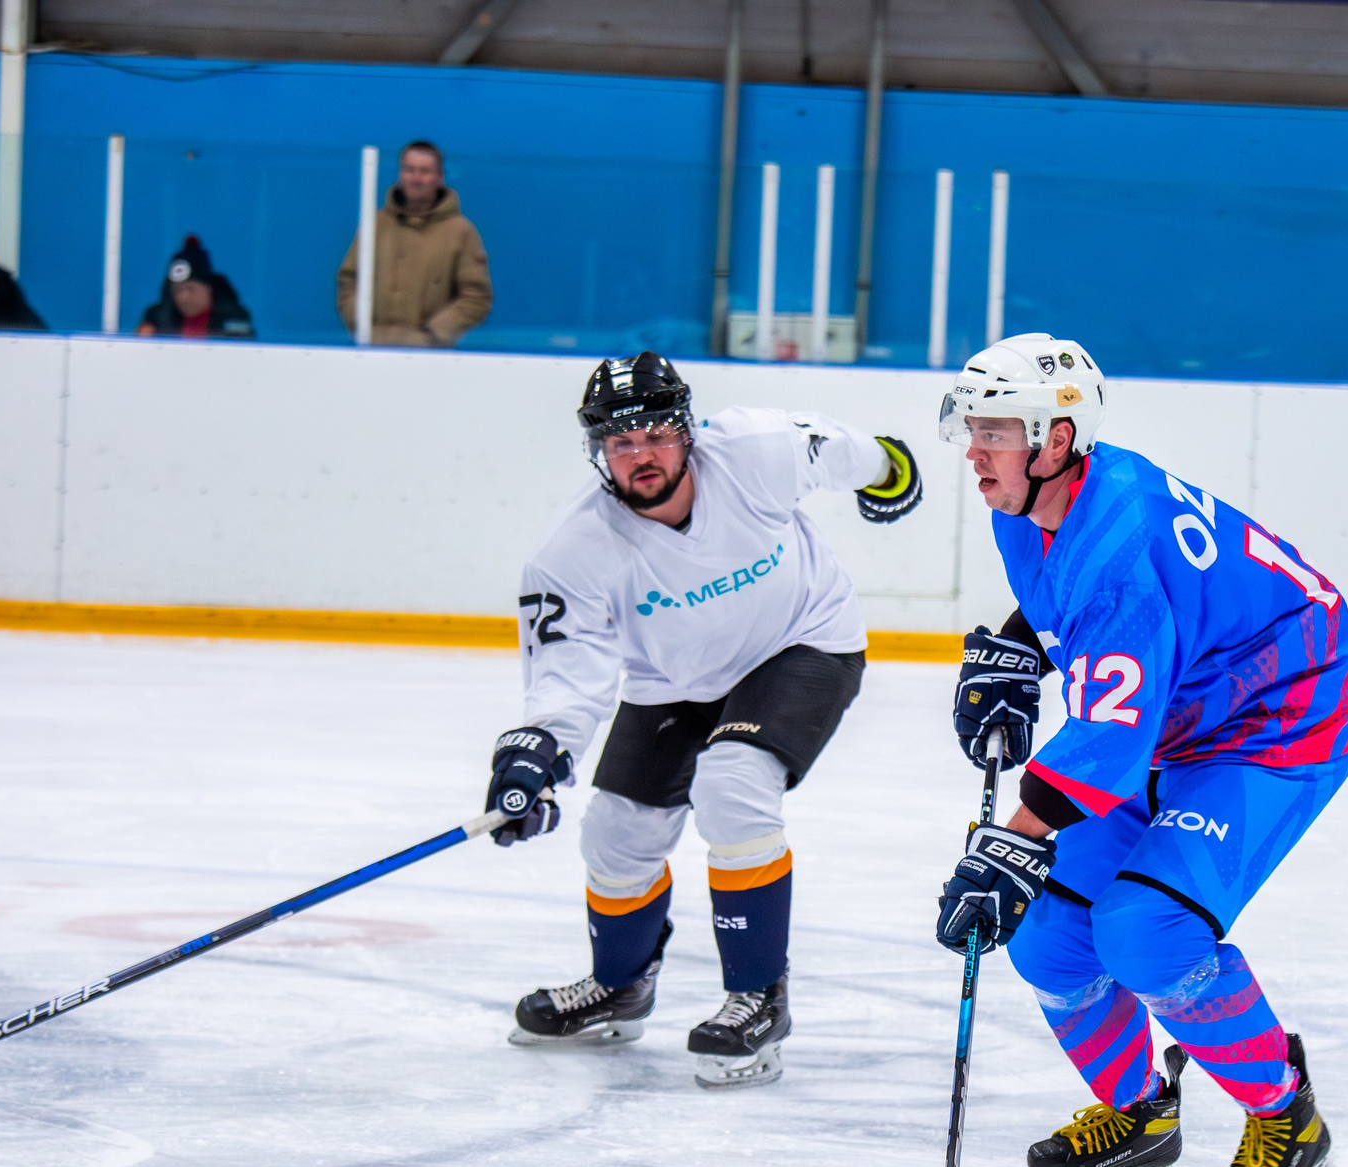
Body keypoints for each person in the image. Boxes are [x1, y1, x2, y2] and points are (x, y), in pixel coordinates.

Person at [932, 333, 1348, 1167]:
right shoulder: (1034, 502)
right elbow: (1078, 610)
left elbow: (1113, 738)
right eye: (973, 426)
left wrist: (1013, 837)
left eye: (996, 429)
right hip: (1182, 708)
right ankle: (1141, 1116)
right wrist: (1019, 649)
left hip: (1277, 719)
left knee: (1146, 932)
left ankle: (1289, 1119)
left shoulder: (1114, 536)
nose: (975, 447)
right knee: (1049, 939)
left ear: (1057, 439)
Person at [483, 353, 924, 1087]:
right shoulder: (572, 552)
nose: (640, 455)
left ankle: (759, 996)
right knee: (616, 829)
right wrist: (534, 754)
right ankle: (619, 984)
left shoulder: (755, 449)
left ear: (687, 430)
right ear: (599, 451)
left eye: (654, 433)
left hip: (802, 641)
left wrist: (890, 473)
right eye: (619, 443)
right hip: (675, 679)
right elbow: (569, 676)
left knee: (733, 781)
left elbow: (854, 452)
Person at [334, 140, 492, 348]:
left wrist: (435, 334)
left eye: (425, 171)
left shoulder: (461, 233)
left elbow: (476, 297)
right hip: (371, 352)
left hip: (430, 360)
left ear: (439, 178)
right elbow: (349, 281)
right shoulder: (376, 224)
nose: (416, 178)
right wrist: (364, 328)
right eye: (410, 170)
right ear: (400, 175)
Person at [135, 235, 256, 339]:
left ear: (208, 288)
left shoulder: (234, 317)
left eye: (190, 289)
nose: (183, 297)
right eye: (177, 290)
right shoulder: (157, 318)